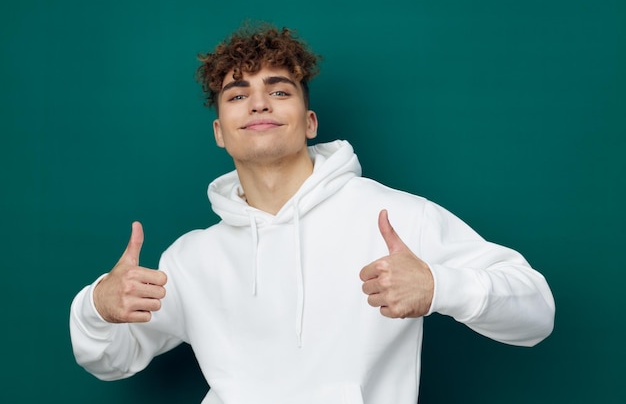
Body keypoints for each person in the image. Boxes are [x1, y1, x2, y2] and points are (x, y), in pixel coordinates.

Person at [70, 23, 555, 404]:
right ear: (221, 131)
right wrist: (96, 308)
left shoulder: (396, 220)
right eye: (238, 95)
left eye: (279, 90)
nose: (258, 101)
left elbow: (537, 313)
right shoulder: (192, 258)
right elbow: (112, 360)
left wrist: (440, 286)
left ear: (309, 121)